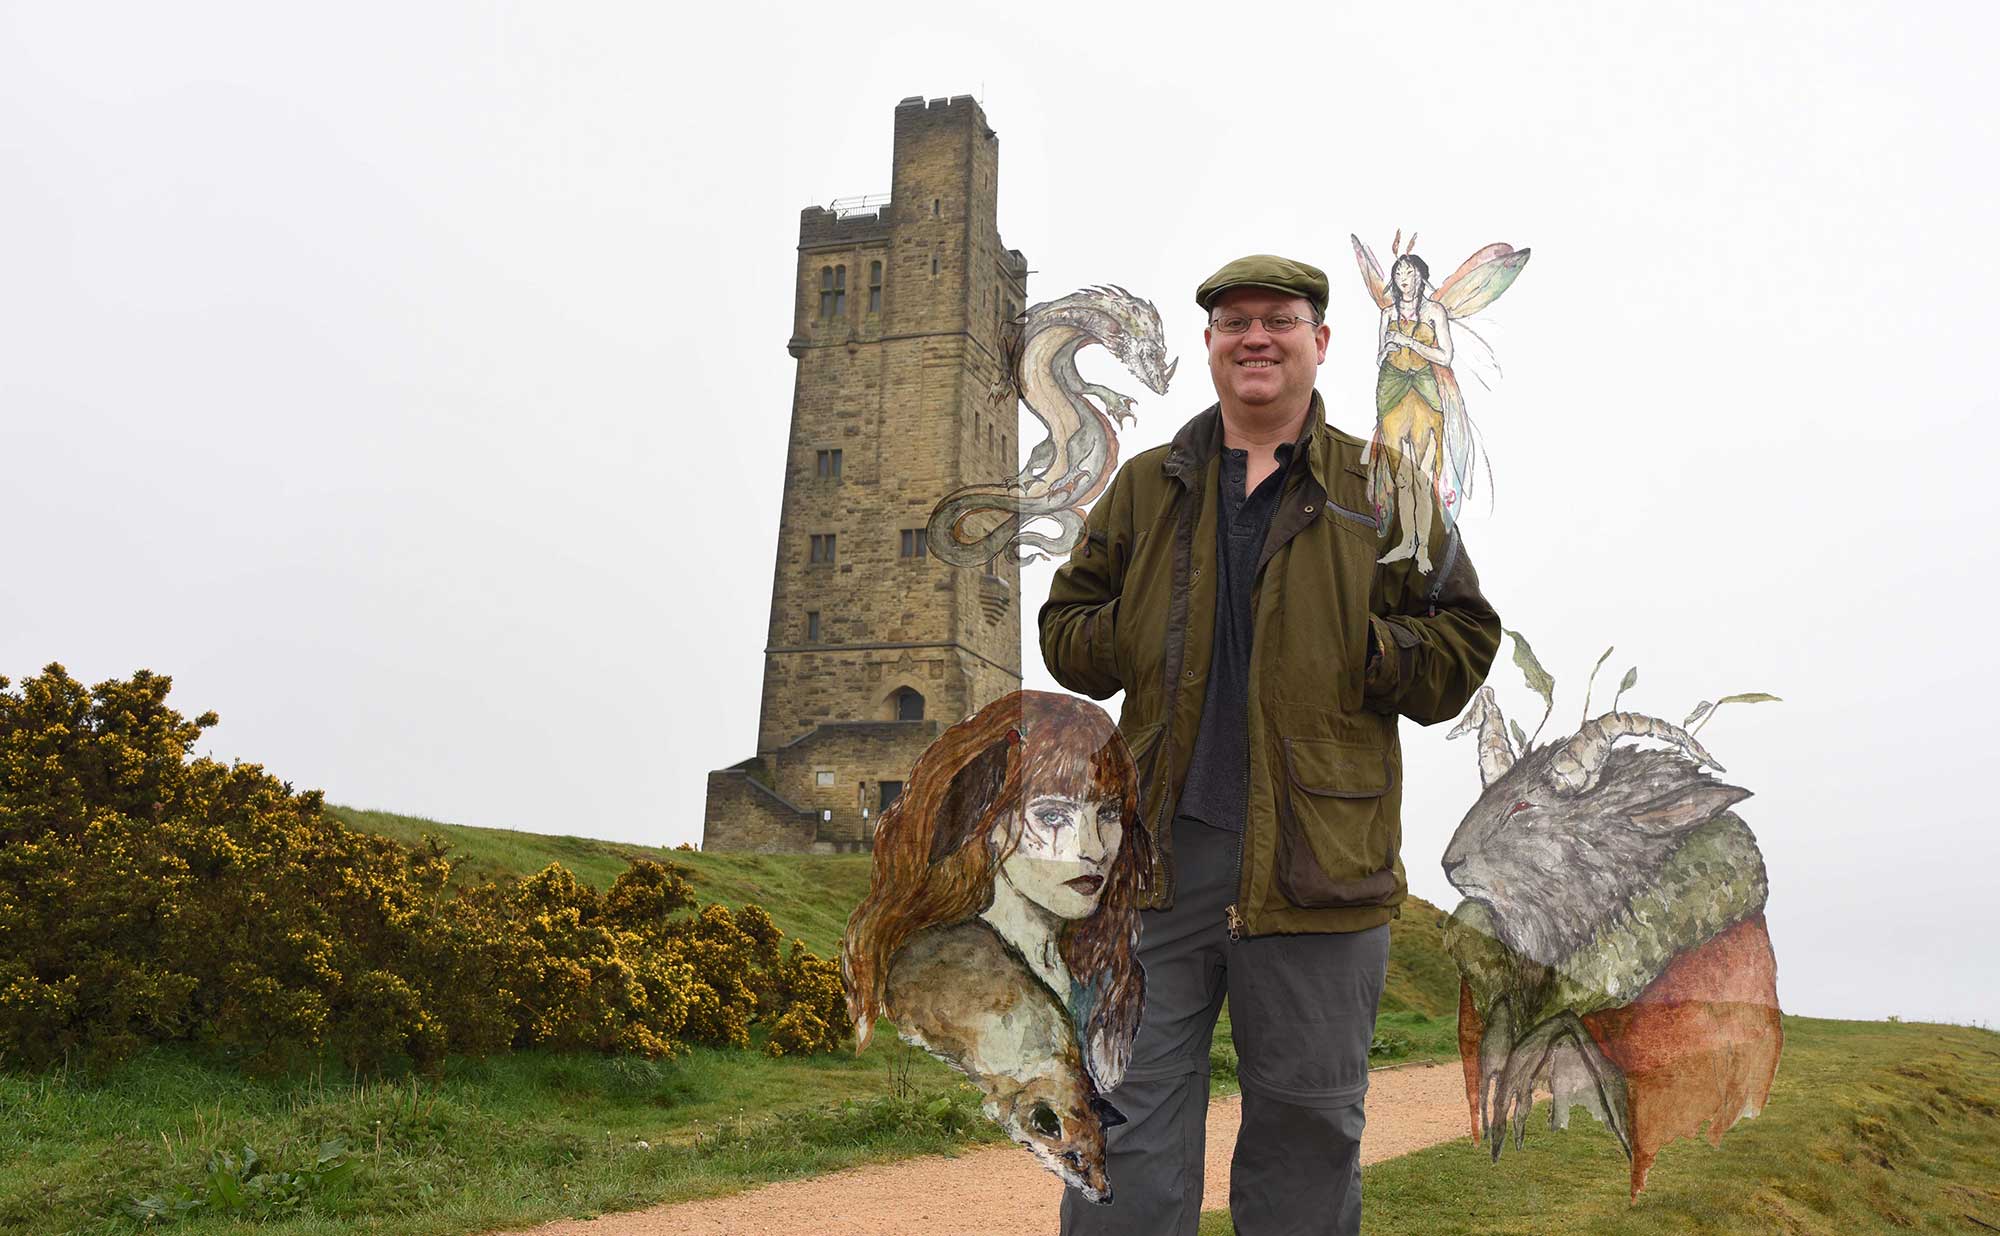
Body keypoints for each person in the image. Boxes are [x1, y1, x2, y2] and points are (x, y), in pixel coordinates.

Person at [1039, 254, 1502, 1235]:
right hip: (1154, 866)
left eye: (1278, 320)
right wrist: (1138, 633)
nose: (1255, 336)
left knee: (1306, 1131)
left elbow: (1461, 638)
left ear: (1318, 342)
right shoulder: (1143, 489)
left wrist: (1366, 652)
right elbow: (1066, 628)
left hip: (1318, 866)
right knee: (1122, 1130)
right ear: (1209, 346)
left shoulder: (1382, 486)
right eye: (1233, 321)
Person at [843, 689, 1154, 1093]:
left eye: (1108, 813)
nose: (1092, 848)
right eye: (1054, 816)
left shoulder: (1112, 977)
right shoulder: (935, 980)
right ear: (990, 820)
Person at [1371, 252, 1454, 572]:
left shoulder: (1435, 311)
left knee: (1422, 475)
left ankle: (1424, 548)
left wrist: (1408, 341)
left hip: (1422, 390)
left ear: (1421, 276)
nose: (1404, 280)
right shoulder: (1386, 313)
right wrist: (1389, 348)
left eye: (1410, 273)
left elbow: (1445, 356)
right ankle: (1406, 542)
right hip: (1392, 391)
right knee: (1401, 477)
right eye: (1399, 274)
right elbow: (1380, 357)